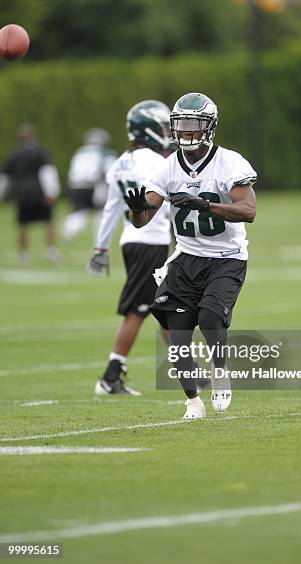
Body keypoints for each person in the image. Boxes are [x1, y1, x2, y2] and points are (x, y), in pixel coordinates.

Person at [124, 92, 257, 419]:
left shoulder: (230, 162)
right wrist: (137, 212)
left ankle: (221, 371)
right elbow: (143, 219)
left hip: (227, 257)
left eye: (193, 125)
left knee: (211, 318)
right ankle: (192, 402)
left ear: (208, 127)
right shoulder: (168, 166)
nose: (186, 132)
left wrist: (207, 205)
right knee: (177, 333)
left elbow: (249, 211)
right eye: (181, 125)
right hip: (187, 257)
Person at [86, 101, 172, 395]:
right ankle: (110, 376)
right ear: (148, 130)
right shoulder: (158, 163)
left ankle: (187, 368)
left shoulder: (120, 161)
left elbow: (110, 209)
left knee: (166, 305)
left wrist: (100, 248)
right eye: (162, 127)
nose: (167, 133)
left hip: (131, 240)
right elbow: (171, 199)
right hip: (150, 240)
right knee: (139, 309)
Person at [0, 123, 60, 262]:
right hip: (40, 192)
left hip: (22, 194)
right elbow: (48, 172)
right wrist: (51, 192)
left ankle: (24, 254)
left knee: (23, 224)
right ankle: (50, 251)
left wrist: (1, 196)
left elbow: (5, 178)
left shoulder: (14, 153)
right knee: (48, 221)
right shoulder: (41, 151)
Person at [62, 128, 117, 241]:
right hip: (95, 186)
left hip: (76, 186)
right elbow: (110, 173)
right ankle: (100, 237)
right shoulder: (105, 153)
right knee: (100, 212)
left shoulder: (79, 153)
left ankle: (68, 232)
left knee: (79, 213)